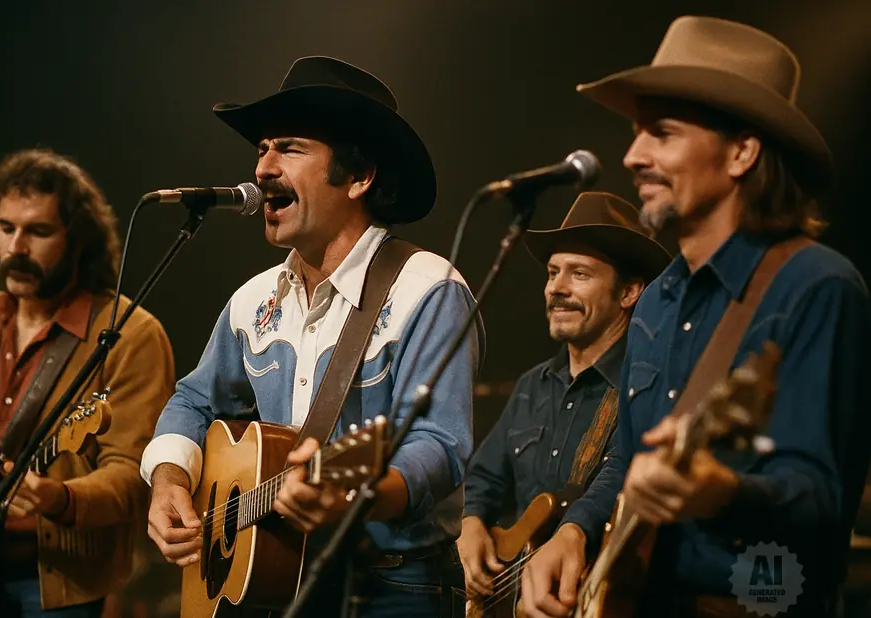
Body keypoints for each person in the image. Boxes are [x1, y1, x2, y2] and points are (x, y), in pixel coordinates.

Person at [516, 16, 871, 618]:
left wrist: (720, 492)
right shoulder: (656, 300)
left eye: (663, 133)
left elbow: (821, 498)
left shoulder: (817, 286)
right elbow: (629, 462)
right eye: (636, 134)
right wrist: (574, 530)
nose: (633, 156)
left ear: (741, 152)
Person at [140, 56, 483, 616]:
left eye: (290, 147)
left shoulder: (429, 289)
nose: (263, 169)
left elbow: (441, 445)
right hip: (285, 585)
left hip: (394, 589)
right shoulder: (253, 301)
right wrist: (169, 481)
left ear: (359, 175)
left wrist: (357, 494)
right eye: (261, 149)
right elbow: (193, 400)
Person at [0, 148, 176, 617]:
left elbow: (134, 471)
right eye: (7, 228)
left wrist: (61, 498)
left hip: (54, 585)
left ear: (78, 239)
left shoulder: (131, 334)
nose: (16, 247)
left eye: (38, 231)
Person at [457, 193, 670, 601]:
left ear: (629, 292)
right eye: (553, 273)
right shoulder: (531, 386)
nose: (557, 287)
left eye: (579, 274)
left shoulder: (647, 385)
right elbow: (483, 477)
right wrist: (470, 524)